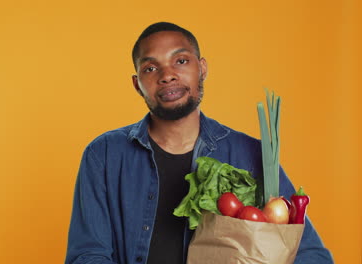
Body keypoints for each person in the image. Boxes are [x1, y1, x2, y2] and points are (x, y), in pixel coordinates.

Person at [65, 22, 333, 264]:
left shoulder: (253, 155)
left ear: (202, 68)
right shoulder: (104, 155)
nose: (167, 75)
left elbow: (311, 255)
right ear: (137, 84)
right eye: (150, 67)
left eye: (180, 61)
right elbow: (87, 255)